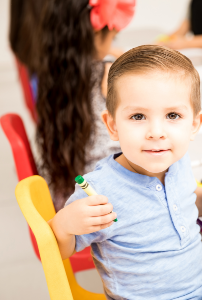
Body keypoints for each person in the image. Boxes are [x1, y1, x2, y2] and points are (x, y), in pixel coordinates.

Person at [49, 45, 202, 300]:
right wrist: (63, 225)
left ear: (194, 124)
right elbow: (59, 252)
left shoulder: (178, 161)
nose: (156, 132)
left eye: (172, 115)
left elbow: (183, 201)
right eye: (138, 116)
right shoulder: (99, 191)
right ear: (112, 125)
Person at [36, 0, 135, 211]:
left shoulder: (55, 73)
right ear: (96, 33)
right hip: (100, 206)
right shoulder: (107, 77)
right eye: (112, 36)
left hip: (68, 196)